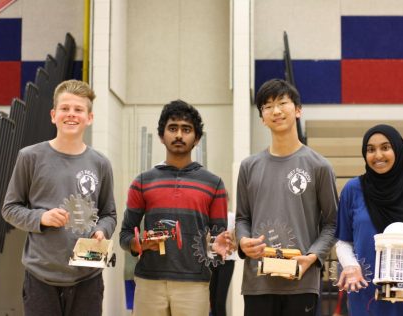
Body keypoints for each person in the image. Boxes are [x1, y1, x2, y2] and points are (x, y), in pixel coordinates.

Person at [2, 79, 117, 316]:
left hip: (88, 277)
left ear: (89, 117)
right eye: (65, 108)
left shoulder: (100, 163)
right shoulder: (29, 157)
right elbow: (10, 208)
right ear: (53, 115)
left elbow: (109, 214)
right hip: (41, 277)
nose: (71, 115)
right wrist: (41, 217)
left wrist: (102, 231)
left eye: (78, 109)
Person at [235, 79, 338, 316]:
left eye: (283, 103)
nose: (276, 111)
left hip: (301, 283)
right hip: (257, 284)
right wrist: (242, 242)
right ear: (262, 117)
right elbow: (242, 218)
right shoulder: (249, 166)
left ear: (298, 110)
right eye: (268, 106)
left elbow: (333, 223)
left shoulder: (319, 166)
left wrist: (311, 257)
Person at [119, 100, 231, 316]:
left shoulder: (214, 184)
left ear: (196, 138)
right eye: (173, 128)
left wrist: (220, 247)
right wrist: (139, 243)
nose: (179, 135)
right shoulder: (142, 181)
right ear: (162, 136)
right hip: (149, 282)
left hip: (195, 285)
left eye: (186, 129)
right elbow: (125, 235)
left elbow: (218, 241)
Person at [335, 124, 403, 315]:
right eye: (370, 149)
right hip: (366, 296)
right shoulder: (353, 189)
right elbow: (343, 242)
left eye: (385, 147)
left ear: (397, 149)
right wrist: (351, 266)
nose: (378, 155)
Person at [210, 211, 238, 316]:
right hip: (212, 259)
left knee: (220, 302)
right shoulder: (211, 216)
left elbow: (237, 239)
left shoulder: (232, 216)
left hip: (227, 261)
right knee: (212, 300)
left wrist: (233, 242)